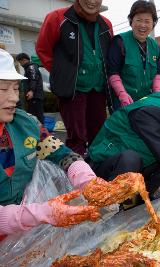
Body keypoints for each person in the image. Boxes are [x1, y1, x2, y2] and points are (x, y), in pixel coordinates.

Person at [0, 49, 100, 238]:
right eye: (3, 89)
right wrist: (39, 214)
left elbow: (61, 153)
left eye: (15, 88)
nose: (13, 97)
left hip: (21, 236)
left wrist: (85, 179)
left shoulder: (26, 124)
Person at [36, 0, 113, 156]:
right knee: (76, 138)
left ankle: (96, 173)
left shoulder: (106, 24)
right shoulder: (57, 18)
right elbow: (42, 49)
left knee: (98, 135)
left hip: (98, 89)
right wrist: (63, 74)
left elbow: (108, 55)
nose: (92, 1)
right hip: (72, 89)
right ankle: (76, 174)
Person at [107, 0, 160, 109]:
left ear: (153, 23)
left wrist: (157, 93)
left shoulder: (155, 46)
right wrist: (122, 94)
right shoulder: (120, 42)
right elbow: (113, 72)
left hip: (147, 101)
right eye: (138, 20)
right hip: (124, 101)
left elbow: (158, 72)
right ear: (131, 21)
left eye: (147, 21)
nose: (143, 25)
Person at [15, 53, 44, 124]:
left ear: (24, 60)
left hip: (35, 95)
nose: (20, 64)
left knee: (37, 113)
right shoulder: (28, 68)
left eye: (20, 62)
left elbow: (33, 79)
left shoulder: (31, 67)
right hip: (33, 95)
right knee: (33, 113)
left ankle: (42, 131)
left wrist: (31, 91)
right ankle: (36, 129)